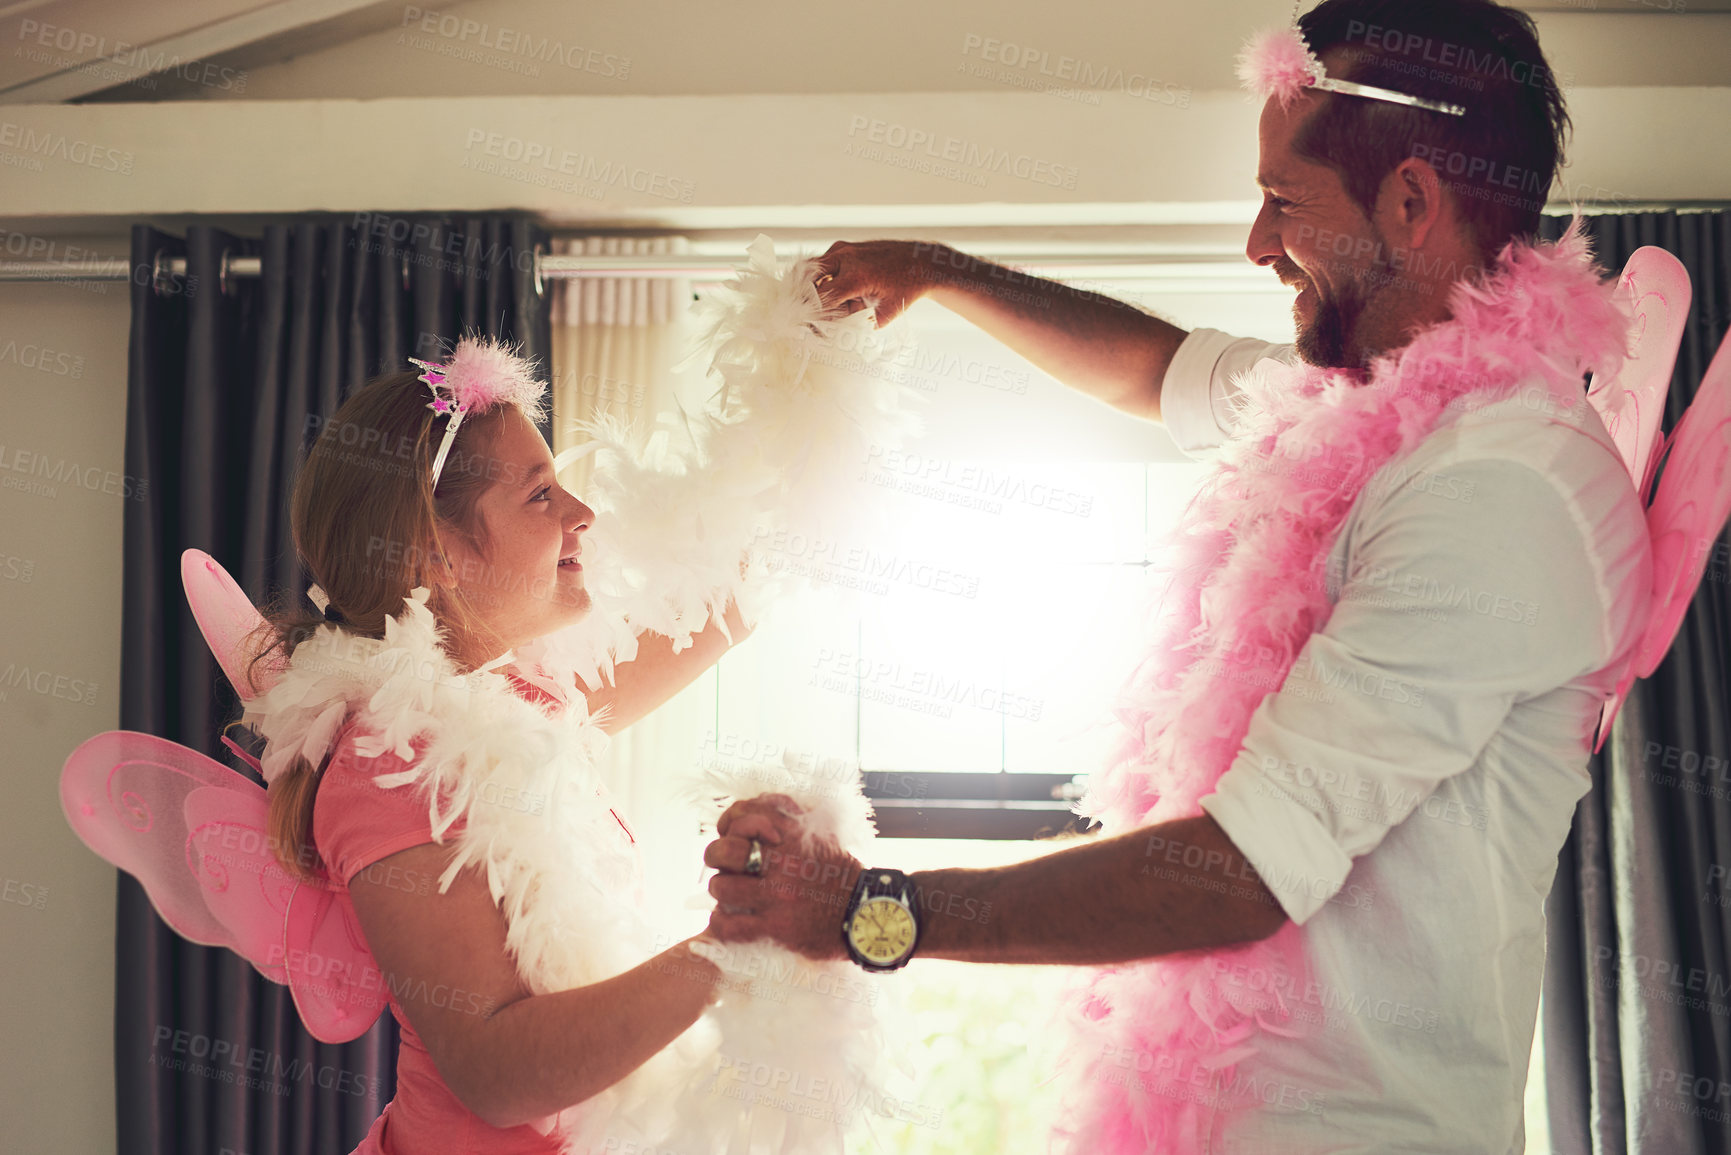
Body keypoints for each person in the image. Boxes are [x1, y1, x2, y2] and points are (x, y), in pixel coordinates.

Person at [703, 1, 1652, 1151]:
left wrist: (867, 913)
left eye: (1283, 202)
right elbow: (1157, 370)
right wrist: (935, 272)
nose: (1256, 244)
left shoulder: (1501, 485)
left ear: (1411, 200)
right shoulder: (1364, 398)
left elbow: (1246, 865)